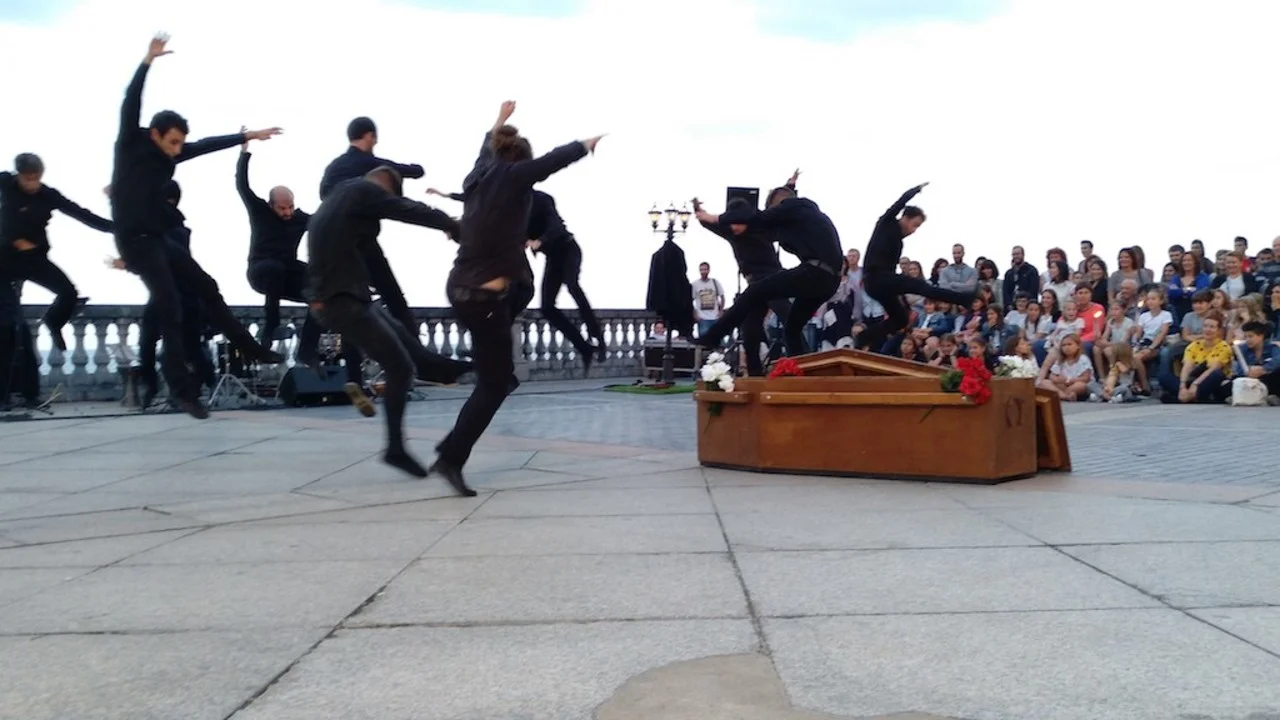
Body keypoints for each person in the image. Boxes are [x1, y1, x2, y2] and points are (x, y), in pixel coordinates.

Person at [109, 33, 283, 419]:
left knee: (207, 285)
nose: (176, 150)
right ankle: (182, 390)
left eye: (179, 145)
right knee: (169, 304)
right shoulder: (131, 143)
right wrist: (147, 61)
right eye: (172, 142)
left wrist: (246, 136)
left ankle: (249, 347)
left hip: (157, 238)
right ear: (155, 135)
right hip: (133, 241)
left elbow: (203, 145)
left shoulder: (171, 153)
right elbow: (130, 101)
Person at [433, 100, 603, 495]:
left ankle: (454, 437)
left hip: (460, 288)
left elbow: (484, 148)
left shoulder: (478, 177)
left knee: (499, 366)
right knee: (496, 383)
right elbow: (551, 162)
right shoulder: (512, 176)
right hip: (484, 296)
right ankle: (451, 457)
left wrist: (499, 120)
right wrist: (584, 144)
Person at [306, 166, 463, 480]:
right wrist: (450, 224)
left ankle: (444, 368)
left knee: (405, 342)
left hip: (344, 297)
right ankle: (395, 448)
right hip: (341, 301)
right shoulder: (366, 190)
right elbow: (408, 210)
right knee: (400, 368)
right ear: (387, 186)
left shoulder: (339, 197)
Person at [316, 117, 469, 385]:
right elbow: (407, 205)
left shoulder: (335, 170)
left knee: (351, 308)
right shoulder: (369, 176)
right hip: (359, 246)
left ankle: (354, 379)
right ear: (370, 136)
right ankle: (421, 365)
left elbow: (325, 195)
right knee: (394, 301)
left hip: (328, 252)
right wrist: (449, 223)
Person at [691, 181, 843, 355]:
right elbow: (771, 209)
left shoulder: (795, 205)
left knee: (753, 293)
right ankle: (803, 367)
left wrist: (716, 217)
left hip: (813, 272)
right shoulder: (802, 218)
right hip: (829, 280)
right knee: (791, 328)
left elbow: (760, 215)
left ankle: (713, 337)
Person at [0, 153, 112, 352]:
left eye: (36, 178)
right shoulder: (6, 183)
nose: (32, 184)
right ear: (18, 175)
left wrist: (116, 227)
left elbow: (81, 214)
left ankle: (53, 322)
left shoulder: (48, 195)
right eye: (27, 179)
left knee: (69, 293)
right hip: (5, 258)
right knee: (8, 314)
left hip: (33, 258)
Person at [853, 184, 975, 353]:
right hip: (875, 278)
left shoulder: (898, 242)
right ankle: (964, 299)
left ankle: (864, 337)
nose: (914, 231)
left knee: (900, 319)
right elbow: (897, 204)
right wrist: (915, 191)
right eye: (914, 225)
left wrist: (901, 297)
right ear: (905, 218)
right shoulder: (886, 224)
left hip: (881, 283)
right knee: (921, 286)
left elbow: (893, 278)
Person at [691, 185, 796, 375]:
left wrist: (790, 187)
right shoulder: (730, 232)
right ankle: (755, 373)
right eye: (731, 224)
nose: (735, 228)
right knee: (750, 330)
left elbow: (779, 209)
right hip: (754, 284)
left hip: (773, 280)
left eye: (738, 223)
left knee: (790, 319)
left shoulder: (762, 227)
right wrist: (697, 209)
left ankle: (805, 359)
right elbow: (707, 222)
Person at [526, 189, 605, 370]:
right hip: (553, 258)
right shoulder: (513, 209)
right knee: (547, 307)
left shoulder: (541, 199)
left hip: (568, 249)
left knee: (572, 285)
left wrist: (540, 240)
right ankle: (584, 348)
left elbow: (555, 225)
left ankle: (598, 337)